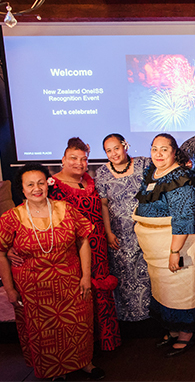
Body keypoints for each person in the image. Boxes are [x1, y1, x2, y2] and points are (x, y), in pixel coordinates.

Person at [0, 164, 104, 380]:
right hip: (33, 290)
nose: (36, 188)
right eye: (30, 184)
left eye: (40, 183)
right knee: (45, 332)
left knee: (78, 325)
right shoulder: (11, 218)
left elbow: (84, 240)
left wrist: (86, 276)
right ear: (22, 188)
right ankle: (56, 371)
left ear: (47, 184)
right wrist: (9, 289)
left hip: (71, 282)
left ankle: (85, 363)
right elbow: (1, 252)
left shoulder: (66, 209)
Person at [133, 133, 195, 357]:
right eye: (154, 149)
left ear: (174, 152)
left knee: (181, 291)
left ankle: (186, 333)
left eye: (164, 149)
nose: (158, 154)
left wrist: (174, 251)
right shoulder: (152, 173)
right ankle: (174, 330)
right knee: (164, 291)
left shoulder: (181, 179)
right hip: (154, 251)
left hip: (178, 246)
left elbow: (184, 219)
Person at [51, 137, 121, 351]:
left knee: (100, 291)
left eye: (83, 159)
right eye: (73, 158)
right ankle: (82, 348)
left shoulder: (89, 181)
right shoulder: (52, 185)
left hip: (97, 245)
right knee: (78, 295)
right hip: (72, 248)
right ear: (63, 159)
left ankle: (104, 342)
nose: (79, 163)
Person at [96, 133, 152, 321]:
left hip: (144, 229)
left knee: (146, 274)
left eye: (116, 148)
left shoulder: (144, 164)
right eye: (108, 151)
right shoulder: (102, 172)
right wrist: (108, 232)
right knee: (124, 275)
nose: (113, 154)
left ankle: (150, 317)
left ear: (125, 146)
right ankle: (127, 320)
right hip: (119, 233)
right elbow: (103, 204)